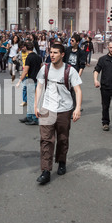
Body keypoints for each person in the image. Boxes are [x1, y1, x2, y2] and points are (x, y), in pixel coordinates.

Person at [34, 44, 83, 185]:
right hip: (47, 109)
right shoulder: (45, 68)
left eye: (55, 52)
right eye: (51, 52)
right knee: (46, 140)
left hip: (64, 110)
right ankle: (45, 171)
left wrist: (77, 108)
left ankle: (61, 161)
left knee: (62, 138)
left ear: (62, 54)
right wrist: (36, 105)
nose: (52, 55)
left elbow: (78, 90)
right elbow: (39, 86)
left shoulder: (70, 70)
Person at [16, 41, 42, 125]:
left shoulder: (29, 57)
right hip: (37, 80)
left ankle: (34, 118)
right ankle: (29, 116)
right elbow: (41, 68)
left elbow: (25, 70)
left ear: (26, 48)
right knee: (32, 99)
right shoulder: (38, 57)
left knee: (32, 100)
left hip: (31, 80)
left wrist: (19, 80)